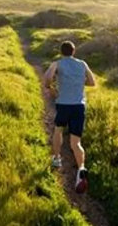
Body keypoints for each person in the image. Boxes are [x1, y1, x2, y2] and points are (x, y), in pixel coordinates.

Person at [44, 41, 96, 193]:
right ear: (74, 51)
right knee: (76, 142)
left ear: (62, 52)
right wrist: (78, 81)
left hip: (64, 105)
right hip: (79, 106)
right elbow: (92, 82)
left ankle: (56, 159)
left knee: (58, 130)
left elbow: (47, 79)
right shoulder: (83, 64)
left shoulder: (57, 63)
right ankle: (81, 169)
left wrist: (51, 88)